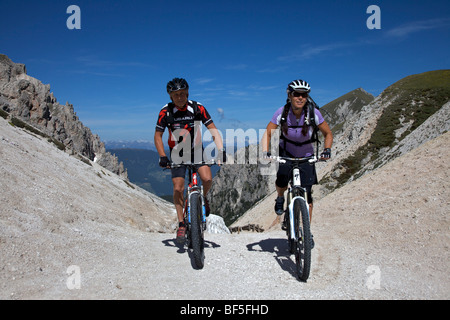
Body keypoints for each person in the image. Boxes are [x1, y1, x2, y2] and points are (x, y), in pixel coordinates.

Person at [261, 79, 333, 247]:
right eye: (296, 94)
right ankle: (280, 198)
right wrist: (265, 151)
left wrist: (327, 150)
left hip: (307, 156)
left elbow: (328, 134)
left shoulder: (314, 113)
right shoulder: (282, 112)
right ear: (290, 95)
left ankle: (306, 231)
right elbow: (268, 132)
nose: (300, 98)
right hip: (286, 153)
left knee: (307, 195)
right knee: (281, 182)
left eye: (304, 95)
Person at [154, 77, 225, 244]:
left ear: (187, 93)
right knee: (178, 188)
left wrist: (220, 150)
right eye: (176, 94)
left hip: (197, 150)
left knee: (207, 179)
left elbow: (213, 129)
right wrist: (162, 156)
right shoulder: (166, 111)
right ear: (171, 96)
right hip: (177, 152)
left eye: (183, 94)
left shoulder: (197, 107)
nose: (180, 97)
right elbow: (158, 136)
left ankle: (203, 198)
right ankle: (181, 224)